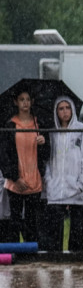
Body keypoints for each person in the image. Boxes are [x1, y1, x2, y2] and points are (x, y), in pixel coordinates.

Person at [42, 96, 83, 252]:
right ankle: (56, 269)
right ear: (56, 111)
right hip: (56, 191)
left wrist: (80, 185)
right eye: (61, 108)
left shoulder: (82, 130)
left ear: (73, 109)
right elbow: (47, 160)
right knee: (54, 236)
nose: (65, 112)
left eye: (68, 108)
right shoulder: (51, 133)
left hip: (79, 192)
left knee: (77, 234)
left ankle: (77, 267)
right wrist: (49, 181)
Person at [0, 90, 50, 244]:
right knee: (14, 220)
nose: (25, 103)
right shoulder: (10, 125)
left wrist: (44, 144)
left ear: (32, 102)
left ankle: (32, 254)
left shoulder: (39, 124)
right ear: (16, 102)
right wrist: (15, 177)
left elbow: (46, 155)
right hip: (16, 182)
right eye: (21, 99)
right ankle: (15, 251)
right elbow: (4, 155)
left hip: (34, 181)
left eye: (28, 99)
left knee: (32, 221)